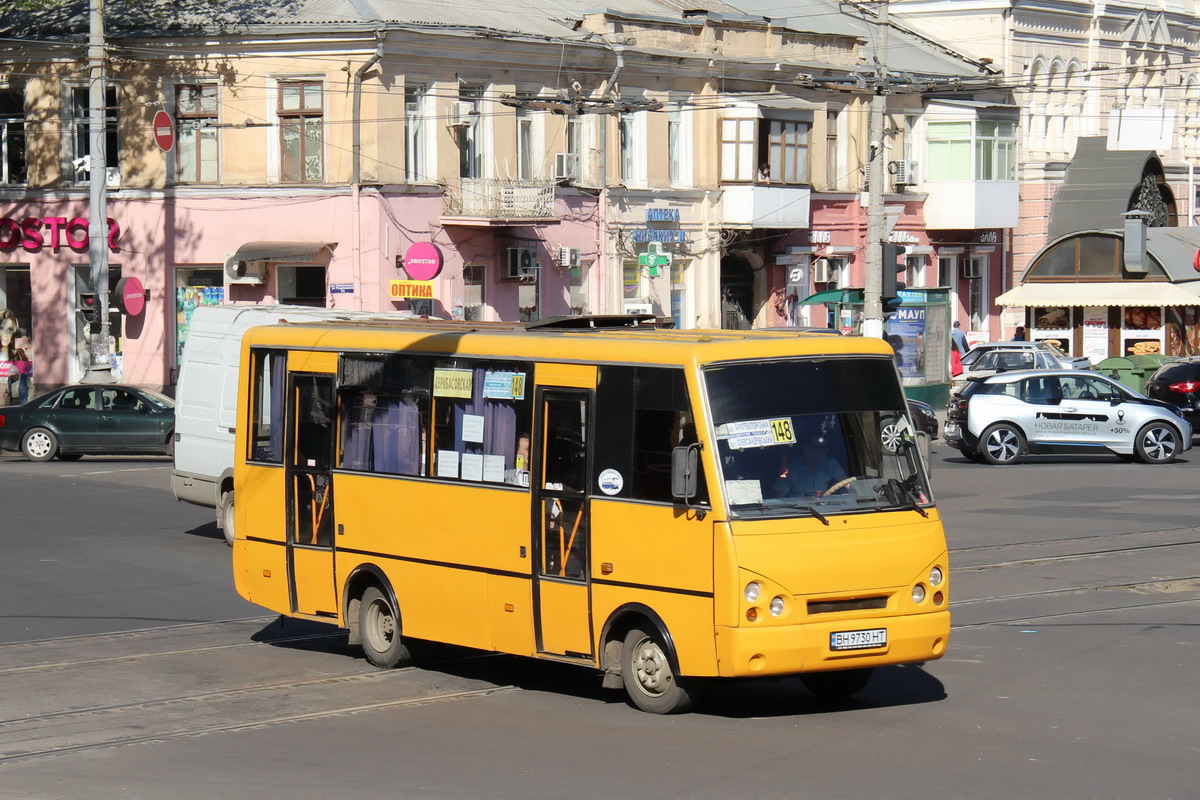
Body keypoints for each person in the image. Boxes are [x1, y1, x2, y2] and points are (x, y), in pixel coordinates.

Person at [773, 437, 842, 498]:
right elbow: (779, 496)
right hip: (800, 510)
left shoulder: (830, 464)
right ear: (806, 449)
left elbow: (846, 483)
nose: (822, 452)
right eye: (817, 449)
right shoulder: (790, 469)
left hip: (826, 508)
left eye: (824, 449)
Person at [0, 309, 29, 406]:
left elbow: (24, 382)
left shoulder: (17, 355)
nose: (5, 334)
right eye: (1, 328)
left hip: (10, 403)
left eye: (10, 329)